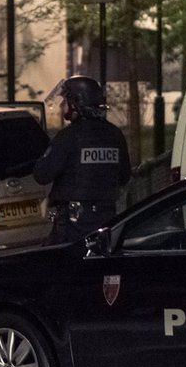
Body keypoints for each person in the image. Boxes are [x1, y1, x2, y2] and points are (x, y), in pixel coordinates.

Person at [33, 76, 131, 243]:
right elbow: (124, 176)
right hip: (107, 218)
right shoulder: (115, 134)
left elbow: (42, 174)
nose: (61, 105)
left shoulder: (69, 136)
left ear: (76, 102)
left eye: (64, 100)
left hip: (74, 224)